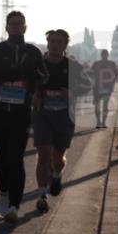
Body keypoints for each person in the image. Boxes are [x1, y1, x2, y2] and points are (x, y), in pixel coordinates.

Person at [0, 11, 47, 225]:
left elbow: (44, 76)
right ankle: (4, 192)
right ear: (6, 28)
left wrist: (35, 87)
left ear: (25, 27)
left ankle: (14, 206)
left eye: (19, 24)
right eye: (12, 24)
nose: (16, 27)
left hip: (21, 113)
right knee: (2, 158)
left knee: (16, 158)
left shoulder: (33, 52)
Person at [34, 30, 90, 213]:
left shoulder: (73, 65)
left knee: (57, 157)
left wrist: (72, 93)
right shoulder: (39, 65)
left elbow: (87, 86)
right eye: (52, 41)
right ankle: (42, 194)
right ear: (47, 43)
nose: (55, 45)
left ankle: (56, 174)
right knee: (43, 154)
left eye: (59, 42)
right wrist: (34, 96)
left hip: (65, 116)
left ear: (65, 45)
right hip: (43, 115)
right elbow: (29, 84)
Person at [90, 49, 118, 129]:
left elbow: (90, 73)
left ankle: (100, 122)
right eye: (104, 55)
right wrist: (112, 83)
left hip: (101, 87)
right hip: (102, 87)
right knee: (101, 105)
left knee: (101, 105)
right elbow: (116, 74)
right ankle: (101, 122)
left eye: (104, 55)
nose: (104, 56)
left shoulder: (97, 64)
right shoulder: (111, 64)